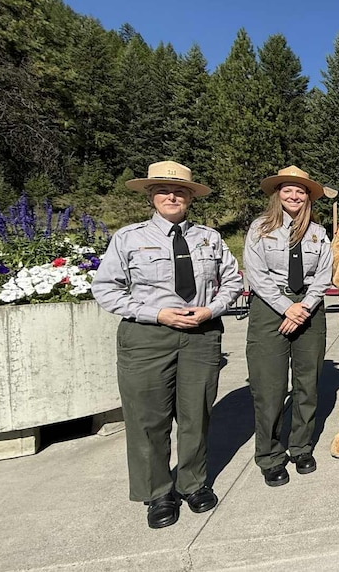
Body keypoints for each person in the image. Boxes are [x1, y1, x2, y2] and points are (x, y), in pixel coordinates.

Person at [92, 161, 243, 529]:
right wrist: (155, 314)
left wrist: (212, 309)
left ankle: (192, 483)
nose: (172, 196)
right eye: (163, 190)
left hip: (201, 335)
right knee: (148, 419)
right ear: (151, 196)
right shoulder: (128, 238)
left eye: (180, 191)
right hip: (147, 337)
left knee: (196, 415)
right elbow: (105, 288)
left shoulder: (210, 238)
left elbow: (234, 280)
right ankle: (158, 491)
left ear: (190, 197)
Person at [244, 166, 332, 488]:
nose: (294, 196)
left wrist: (305, 306)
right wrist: (286, 307)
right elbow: (256, 274)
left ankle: (301, 447)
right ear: (277, 194)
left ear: (308, 197)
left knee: (308, 383)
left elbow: (324, 274)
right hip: (270, 307)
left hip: (309, 306)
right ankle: (270, 455)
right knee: (270, 387)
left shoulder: (318, 234)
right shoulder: (260, 229)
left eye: (301, 191)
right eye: (288, 190)